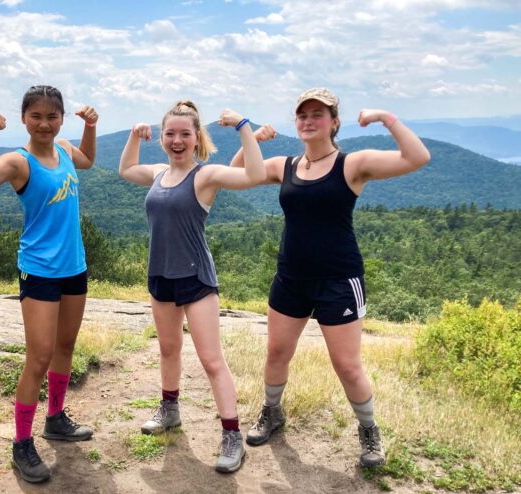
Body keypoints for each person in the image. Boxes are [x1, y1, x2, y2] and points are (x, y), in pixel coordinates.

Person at [230, 87, 431, 467]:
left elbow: (417, 157)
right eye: (302, 115)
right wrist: (251, 139)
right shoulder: (286, 165)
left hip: (339, 279)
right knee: (276, 352)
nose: (308, 121)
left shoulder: (351, 165)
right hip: (291, 277)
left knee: (347, 364)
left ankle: (369, 431)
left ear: (333, 122)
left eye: (317, 114)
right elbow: (238, 171)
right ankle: (272, 412)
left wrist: (386, 118)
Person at [119, 101, 267, 473]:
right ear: (163, 137)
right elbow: (125, 169)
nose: (177, 140)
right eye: (170, 133)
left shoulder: (205, 176)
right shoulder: (156, 173)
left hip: (196, 278)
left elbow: (254, 174)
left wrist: (244, 127)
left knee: (211, 360)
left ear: (197, 137)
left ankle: (232, 436)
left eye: (185, 133)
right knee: (169, 349)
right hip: (160, 276)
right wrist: (134, 137)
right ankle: (169, 410)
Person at [0, 85, 98, 484]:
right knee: (38, 357)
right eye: (36, 116)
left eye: (52, 116)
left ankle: (54, 418)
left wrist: (90, 126)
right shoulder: (17, 162)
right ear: (24, 119)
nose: (44, 123)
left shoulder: (66, 150)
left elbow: (86, 160)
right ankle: (21, 443)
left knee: (65, 347)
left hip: (74, 265)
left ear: (60, 118)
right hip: (39, 269)